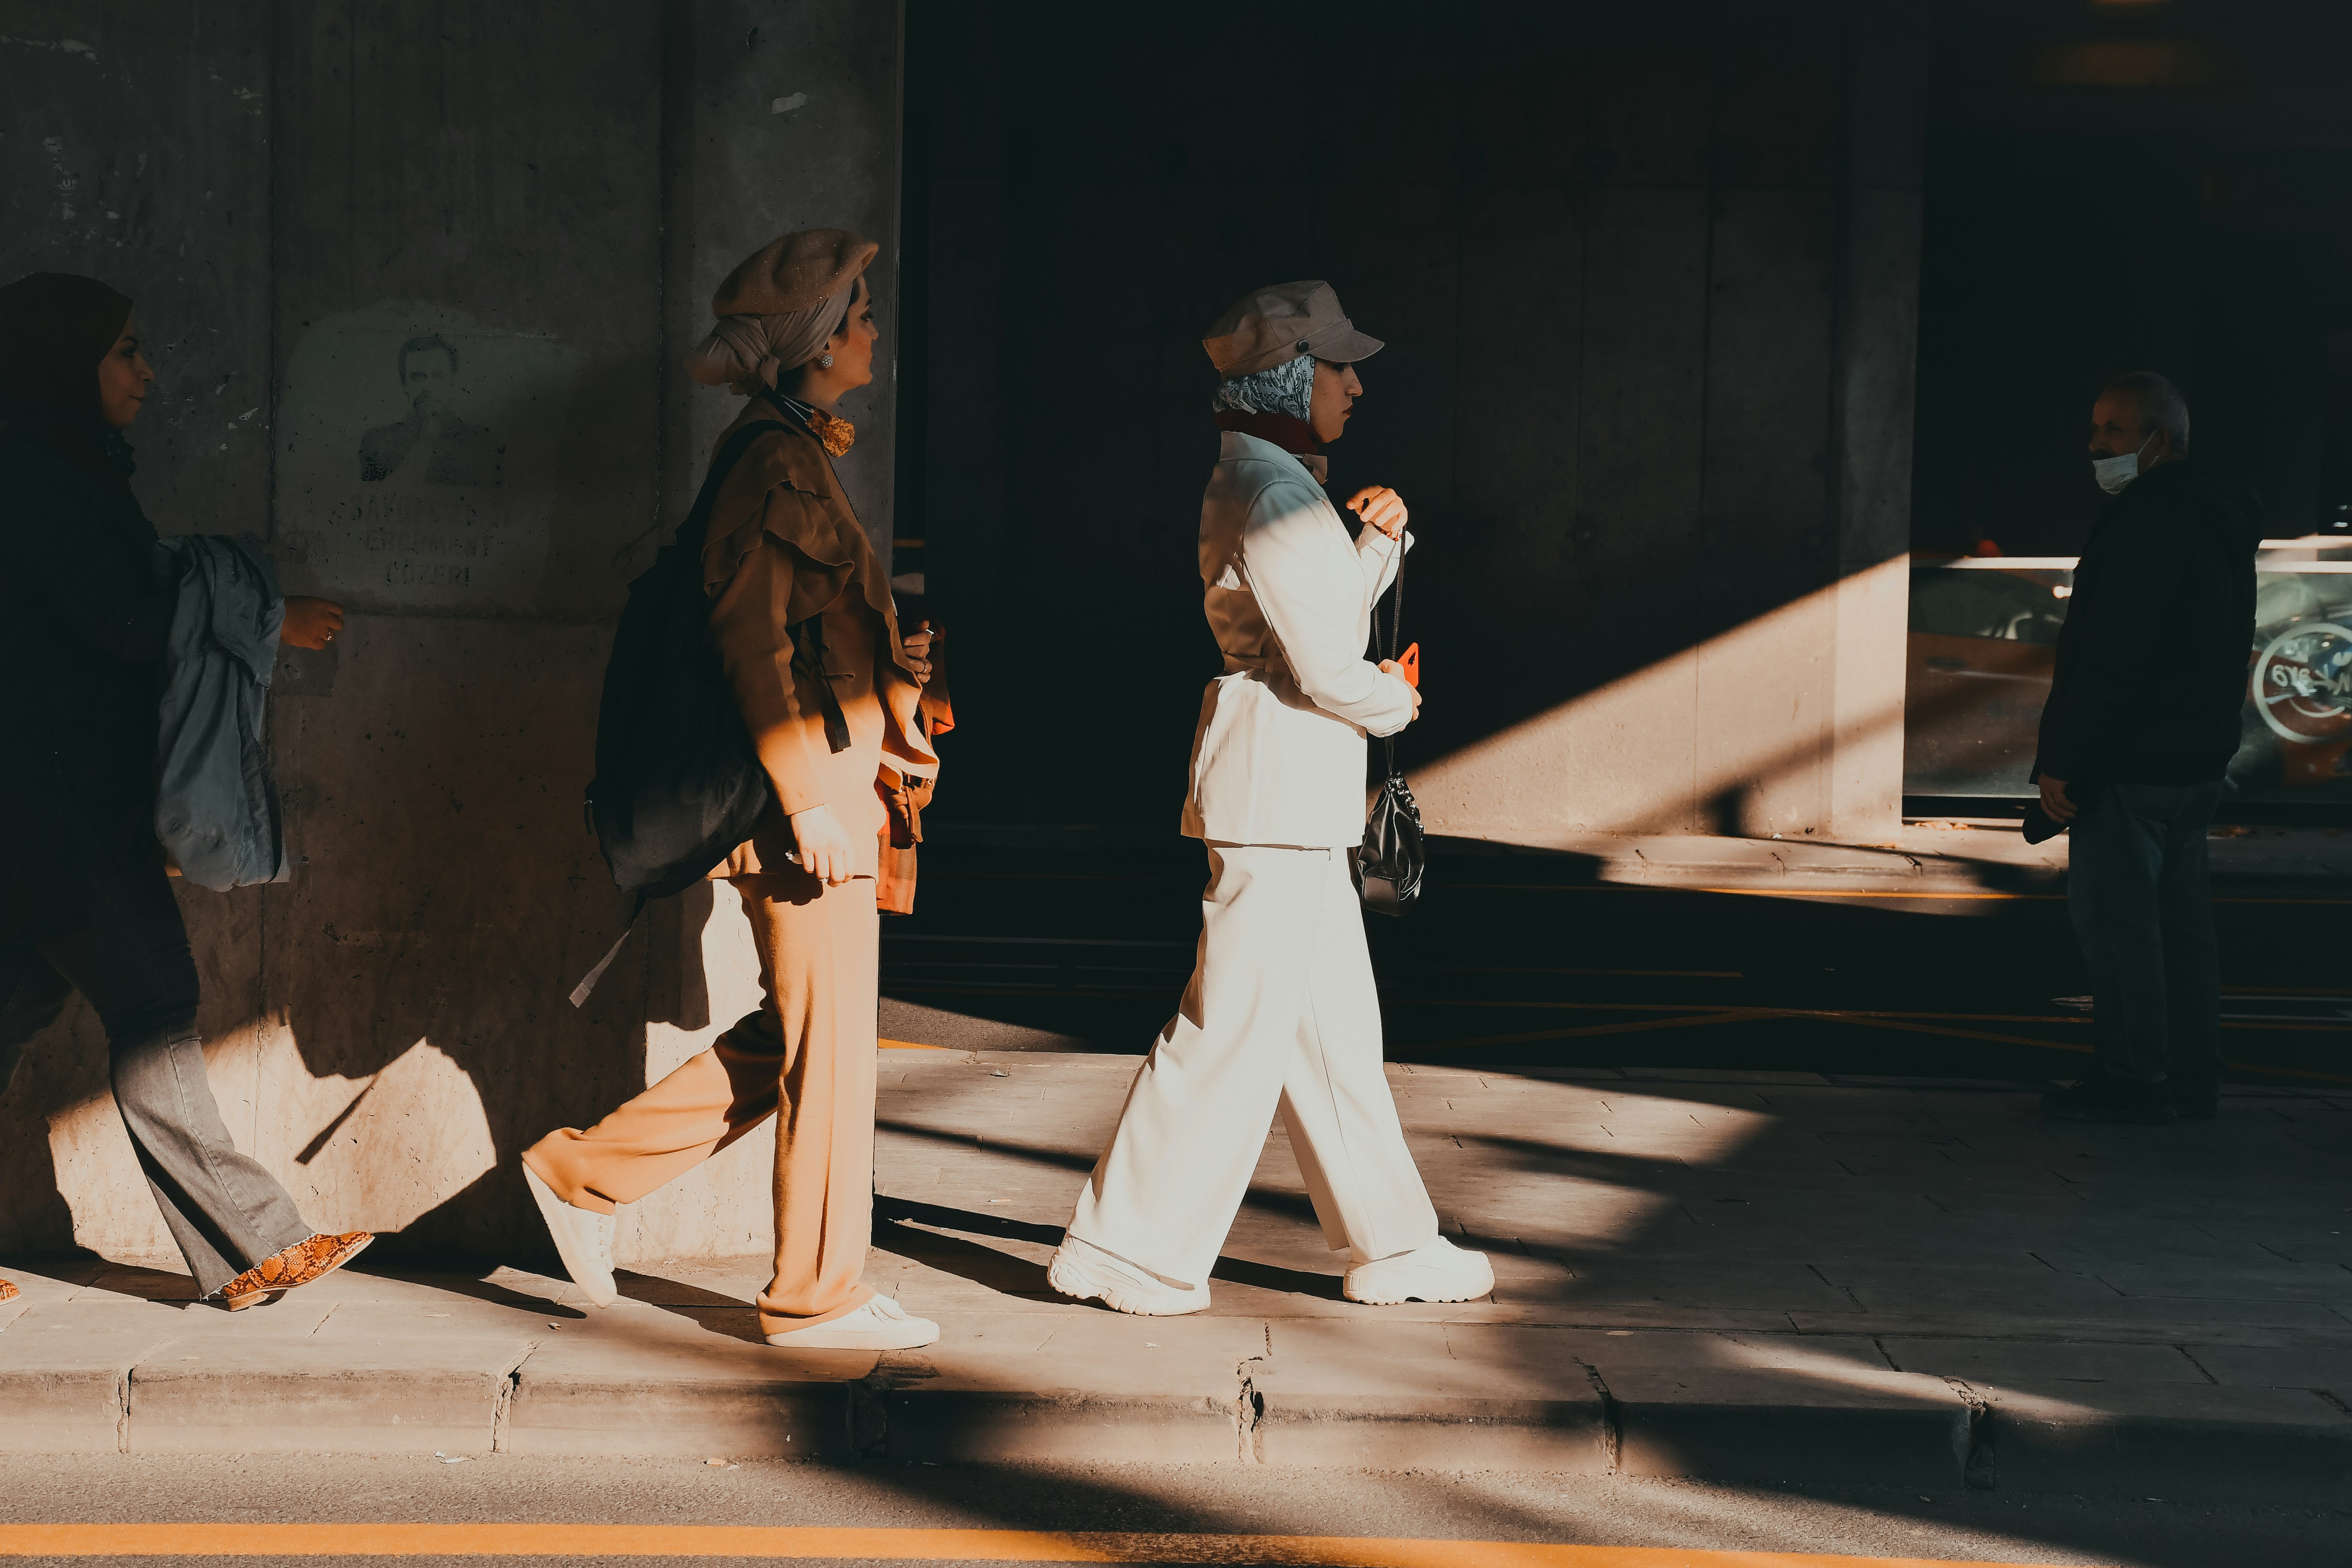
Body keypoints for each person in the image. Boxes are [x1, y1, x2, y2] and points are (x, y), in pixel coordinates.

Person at [518, 229, 944, 1351]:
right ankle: (814, 1296)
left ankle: (581, 1174)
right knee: (830, 1046)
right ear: (812, 345)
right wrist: (810, 800)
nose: (871, 329)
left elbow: (809, 636)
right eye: (855, 314)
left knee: (803, 1033)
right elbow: (749, 644)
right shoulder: (773, 463)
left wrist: (890, 687)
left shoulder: (795, 452)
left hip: (826, 779)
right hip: (803, 797)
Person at [1047, 280, 1493, 1315]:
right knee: (1230, 1029)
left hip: (1286, 790)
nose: (1355, 387)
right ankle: (1126, 1248)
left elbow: (1312, 619)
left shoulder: (1270, 479)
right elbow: (1329, 667)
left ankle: (1393, 1243)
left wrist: (1380, 543)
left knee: (1330, 1032)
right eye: (1341, 369)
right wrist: (1400, 701)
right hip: (1283, 787)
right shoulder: (1281, 492)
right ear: (1293, 375)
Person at [0, 272, 370, 1309]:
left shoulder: (59, 463)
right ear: (66, 361)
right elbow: (122, 615)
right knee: (155, 1006)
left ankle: (248, 1248)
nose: (147, 370)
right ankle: (253, 1249)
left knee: (12, 1005)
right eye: (125, 350)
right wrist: (263, 610)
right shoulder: (35, 473)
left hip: (42, 801)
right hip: (66, 803)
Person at [2035, 371, 2263, 1124]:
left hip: (2130, 762)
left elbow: (2110, 655)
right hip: (2193, 760)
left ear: (2157, 441)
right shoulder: (2217, 519)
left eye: (2112, 431)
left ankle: (2132, 1076)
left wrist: (2064, 759)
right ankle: (2193, 1076)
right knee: (2181, 930)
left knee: (2120, 930)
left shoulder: (2145, 521)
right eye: (2095, 426)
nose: (2093, 445)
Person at [358, 333, 501, 486]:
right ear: (404, 384)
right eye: (417, 377)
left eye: (438, 376)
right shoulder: (377, 443)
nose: (428, 388)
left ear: (453, 382)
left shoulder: (484, 445)